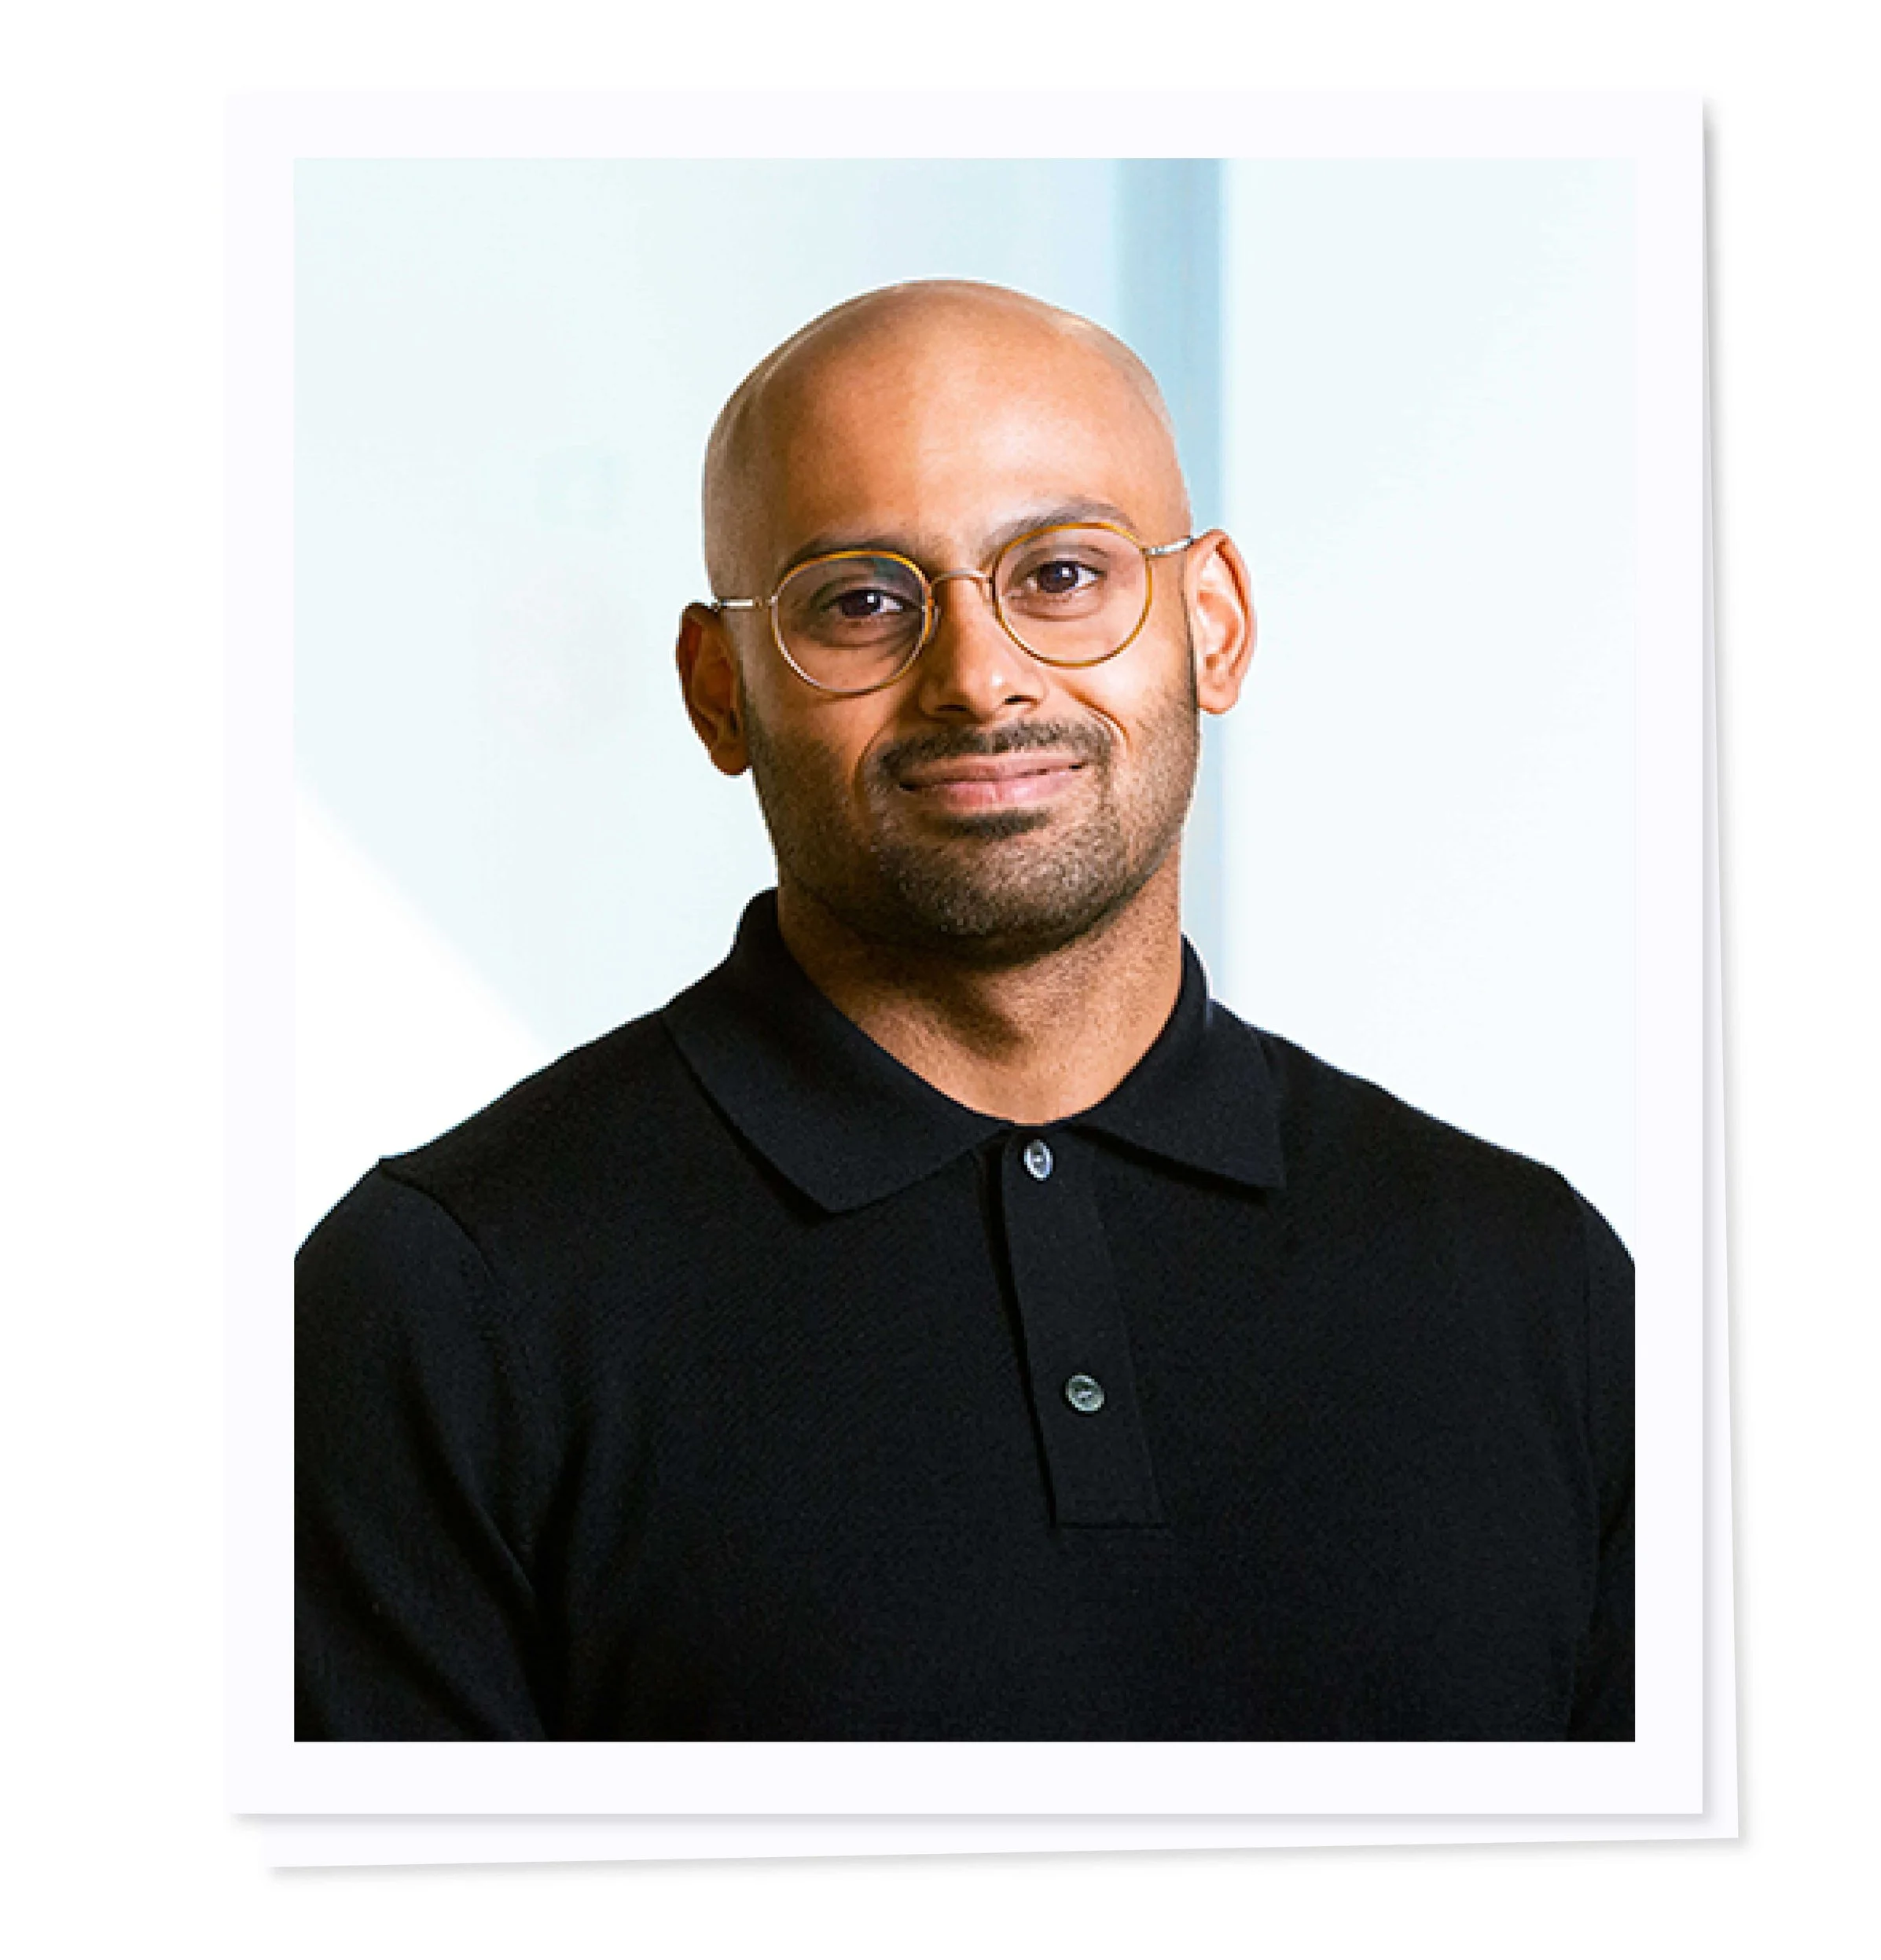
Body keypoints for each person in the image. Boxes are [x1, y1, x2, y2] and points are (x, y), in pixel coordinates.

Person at [296, 279, 1633, 1742]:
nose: (981, 677)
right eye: (863, 600)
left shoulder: (1536, 1282)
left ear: (1217, 626)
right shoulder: (439, 1303)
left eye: (1063, 575)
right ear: (719, 691)